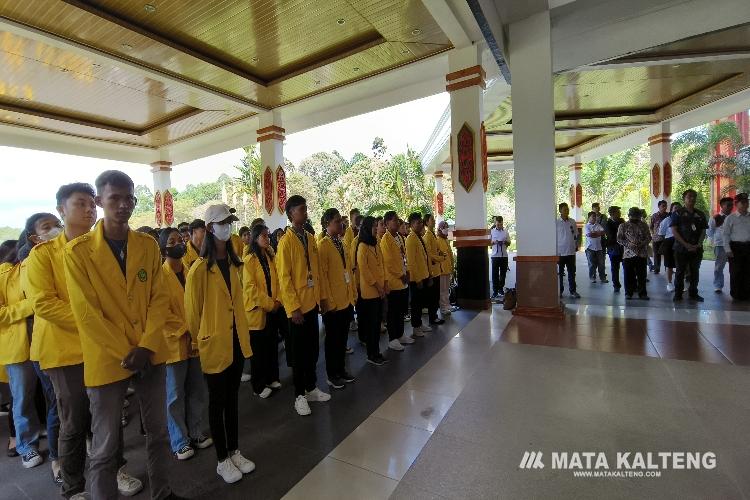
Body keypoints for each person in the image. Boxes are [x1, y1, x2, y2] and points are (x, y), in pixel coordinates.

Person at [64, 170, 181, 500]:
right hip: (108, 358)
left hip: (149, 354)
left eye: (129, 197)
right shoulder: (77, 253)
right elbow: (87, 314)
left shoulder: (145, 245)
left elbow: (160, 298)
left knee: (158, 434)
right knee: (104, 448)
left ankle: (163, 493)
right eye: (114, 198)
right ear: (100, 201)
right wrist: (130, 352)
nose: (123, 204)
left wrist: (145, 346)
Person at [24, 185, 143, 498]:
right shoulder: (43, 255)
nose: (90, 209)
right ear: (62, 210)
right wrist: (93, 322)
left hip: (103, 346)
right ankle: (74, 485)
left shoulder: (102, 247)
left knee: (109, 413)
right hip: (65, 350)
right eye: (81, 204)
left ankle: (116, 469)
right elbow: (44, 304)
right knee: (74, 420)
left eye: (93, 204)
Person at [184, 204, 255, 484]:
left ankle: (235, 449)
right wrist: (201, 341)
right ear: (211, 228)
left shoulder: (237, 264)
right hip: (214, 343)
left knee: (233, 399)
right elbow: (193, 314)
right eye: (224, 222)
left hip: (237, 340)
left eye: (231, 222)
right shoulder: (199, 270)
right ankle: (222, 459)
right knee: (217, 402)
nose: (229, 227)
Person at [15, 214, 63, 479]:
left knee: (80, 406)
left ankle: (81, 447)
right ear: (34, 237)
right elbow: (41, 303)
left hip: (72, 344)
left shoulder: (66, 255)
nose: (56, 230)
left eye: (57, 224)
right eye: (48, 227)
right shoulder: (27, 265)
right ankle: (57, 461)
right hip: (45, 347)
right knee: (56, 405)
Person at [158, 228, 211, 462]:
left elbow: (200, 303)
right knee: (174, 396)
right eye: (172, 241)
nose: (178, 244)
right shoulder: (159, 277)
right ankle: (179, 440)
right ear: (163, 247)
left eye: (180, 240)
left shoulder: (191, 271)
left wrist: (197, 329)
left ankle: (197, 431)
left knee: (197, 390)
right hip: (174, 343)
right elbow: (161, 313)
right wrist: (185, 330)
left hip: (196, 339)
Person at [276, 195, 330, 417]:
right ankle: (299, 395)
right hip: (297, 308)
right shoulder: (285, 242)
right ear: (291, 214)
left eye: (306, 208)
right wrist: (293, 308)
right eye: (301, 209)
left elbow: (316, 272)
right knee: (298, 354)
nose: (305, 212)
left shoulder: (309, 237)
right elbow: (284, 278)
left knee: (312, 350)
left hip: (312, 303)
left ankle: (311, 387)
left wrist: (322, 298)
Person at [1, 231, 44, 470]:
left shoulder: (42, 269)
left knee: (51, 397)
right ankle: (26, 446)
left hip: (46, 342)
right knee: (23, 398)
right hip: (19, 348)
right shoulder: (4, 275)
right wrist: (28, 306)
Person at [317, 209, 356, 387]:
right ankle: (332, 374)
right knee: (332, 341)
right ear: (327, 224)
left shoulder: (341, 243)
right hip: (333, 303)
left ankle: (341, 369)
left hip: (346, 299)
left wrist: (352, 295)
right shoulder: (323, 246)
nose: (340, 224)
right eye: (336, 221)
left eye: (341, 220)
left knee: (342, 339)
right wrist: (328, 301)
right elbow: (322, 277)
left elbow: (348, 271)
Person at [243, 224, 283, 398]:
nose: (268, 239)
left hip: (273, 309)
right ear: (255, 238)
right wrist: (269, 304)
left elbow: (279, 280)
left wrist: (278, 301)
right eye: (264, 236)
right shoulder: (249, 260)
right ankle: (258, 385)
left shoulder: (270, 256)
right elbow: (250, 289)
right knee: (258, 351)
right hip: (258, 310)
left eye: (268, 235)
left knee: (271, 346)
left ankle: (272, 377)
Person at [355, 217, 388, 366]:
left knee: (377, 324)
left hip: (380, 289)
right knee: (371, 325)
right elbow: (365, 271)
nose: (376, 229)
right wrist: (378, 286)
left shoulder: (376, 244)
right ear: (367, 228)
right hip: (370, 292)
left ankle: (377, 352)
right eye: (374, 226)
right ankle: (371, 354)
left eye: (377, 226)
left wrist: (385, 282)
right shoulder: (362, 246)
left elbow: (382, 264)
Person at [380, 211, 412, 352]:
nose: (397, 222)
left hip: (403, 280)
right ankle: (393, 339)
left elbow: (403, 256)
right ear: (386, 224)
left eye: (397, 220)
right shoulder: (385, 240)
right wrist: (401, 275)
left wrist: (407, 271)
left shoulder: (399, 237)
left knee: (400, 311)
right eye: (393, 220)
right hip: (394, 282)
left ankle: (400, 335)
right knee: (393, 312)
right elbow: (389, 263)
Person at [670, 189, 708, 302]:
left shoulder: (700, 214)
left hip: (696, 249)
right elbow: (674, 231)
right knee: (680, 272)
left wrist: (698, 244)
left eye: (694, 196)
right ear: (684, 199)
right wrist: (686, 244)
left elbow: (703, 231)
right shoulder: (677, 213)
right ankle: (678, 294)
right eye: (689, 196)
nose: (692, 198)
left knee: (694, 271)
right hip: (681, 248)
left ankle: (693, 293)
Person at [405, 213, 433, 337]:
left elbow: (425, 257)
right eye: (417, 223)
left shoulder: (419, 237)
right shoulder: (410, 239)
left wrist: (429, 275)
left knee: (421, 302)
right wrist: (417, 279)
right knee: (416, 304)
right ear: (411, 225)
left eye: (421, 222)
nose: (420, 224)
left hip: (424, 275)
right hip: (417, 278)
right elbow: (411, 262)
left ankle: (420, 324)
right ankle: (416, 327)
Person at [617, 208, 651, 300]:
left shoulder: (644, 225)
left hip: (642, 253)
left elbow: (649, 237)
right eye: (633, 216)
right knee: (628, 275)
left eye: (637, 216)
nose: (636, 218)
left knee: (642, 275)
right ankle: (628, 293)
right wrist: (629, 244)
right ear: (629, 215)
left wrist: (642, 244)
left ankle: (642, 293)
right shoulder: (623, 226)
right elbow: (619, 239)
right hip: (628, 254)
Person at [723, 193, 750, 301]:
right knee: (736, 271)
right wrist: (727, 249)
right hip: (735, 247)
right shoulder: (730, 218)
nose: (745, 204)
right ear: (736, 204)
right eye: (742, 202)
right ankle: (736, 294)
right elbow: (725, 234)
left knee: (748, 271)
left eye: (746, 202)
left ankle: (747, 294)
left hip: (748, 246)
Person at [421, 214, 444, 325]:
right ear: (426, 222)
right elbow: (429, 254)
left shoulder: (432, 235)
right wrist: (440, 258)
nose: (434, 221)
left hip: (437, 269)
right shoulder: (427, 236)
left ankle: (434, 315)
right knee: (433, 296)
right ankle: (432, 317)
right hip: (432, 270)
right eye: (432, 220)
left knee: (436, 295)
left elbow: (436, 250)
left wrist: (440, 254)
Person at [708, 197, 734, 293]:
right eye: (728, 205)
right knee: (719, 267)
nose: (730, 207)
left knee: (735, 267)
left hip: (733, 245)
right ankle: (718, 285)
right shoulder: (715, 218)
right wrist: (713, 242)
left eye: (731, 205)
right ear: (722, 206)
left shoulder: (734, 217)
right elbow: (710, 231)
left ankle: (735, 286)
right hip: (720, 245)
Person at [556, 203, 580, 298]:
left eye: (567, 209)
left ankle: (573, 291)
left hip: (571, 251)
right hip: (560, 252)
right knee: (560, 274)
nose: (567, 211)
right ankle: (560, 291)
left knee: (571, 273)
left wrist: (576, 244)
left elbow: (576, 234)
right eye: (565, 209)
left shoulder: (572, 222)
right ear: (560, 211)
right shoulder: (556, 222)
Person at [658, 202, 681, 293]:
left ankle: (679, 283)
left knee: (681, 264)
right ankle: (669, 283)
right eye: (675, 208)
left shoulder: (683, 219)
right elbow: (662, 234)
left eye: (679, 208)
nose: (677, 210)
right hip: (669, 243)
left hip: (680, 244)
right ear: (671, 210)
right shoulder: (666, 220)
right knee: (669, 264)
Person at [436, 221, 455, 316]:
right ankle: (443, 308)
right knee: (442, 290)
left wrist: (452, 266)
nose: (446, 229)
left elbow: (450, 255)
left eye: (447, 227)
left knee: (447, 289)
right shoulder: (437, 239)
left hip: (447, 268)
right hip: (441, 269)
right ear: (440, 228)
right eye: (444, 227)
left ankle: (447, 305)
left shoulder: (446, 240)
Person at [489, 216, 510, 300]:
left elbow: (509, 242)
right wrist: (494, 242)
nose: (499, 226)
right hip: (495, 256)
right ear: (495, 223)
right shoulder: (491, 232)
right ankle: (495, 291)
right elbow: (488, 243)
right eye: (498, 224)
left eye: (501, 224)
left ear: (502, 223)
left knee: (503, 274)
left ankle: (501, 289)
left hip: (504, 255)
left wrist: (505, 242)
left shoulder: (506, 232)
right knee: (494, 274)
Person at [584, 211, 607, 284]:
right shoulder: (586, 226)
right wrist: (598, 233)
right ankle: (592, 277)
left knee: (601, 264)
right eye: (593, 216)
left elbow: (603, 232)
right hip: (590, 248)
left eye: (595, 216)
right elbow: (589, 235)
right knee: (592, 264)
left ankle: (603, 278)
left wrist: (594, 233)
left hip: (599, 248)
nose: (594, 218)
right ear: (589, 218)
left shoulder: (598, 225)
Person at [604, 207, 624, 292]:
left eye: (619, 211)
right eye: (617, 212)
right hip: (613, 248)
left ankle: (631, 284)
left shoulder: (622, 221)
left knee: (627, 267)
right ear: (612, 214)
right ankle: (616, 284)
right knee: (615, 268)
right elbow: (611, 236)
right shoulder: (607, 223)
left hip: (623, 248)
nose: (619, 213)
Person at [650, 200, 670, 274]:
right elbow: (651, 227)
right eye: (663, 206)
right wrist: (653, 234)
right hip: (656, 239)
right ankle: (656, 269)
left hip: (666, 239)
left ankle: (668, 269)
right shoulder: (654, 216)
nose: (665, 207)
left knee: (667, 254)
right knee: (656, 255)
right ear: (659, 207)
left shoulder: (668, 215)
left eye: (666, 206)